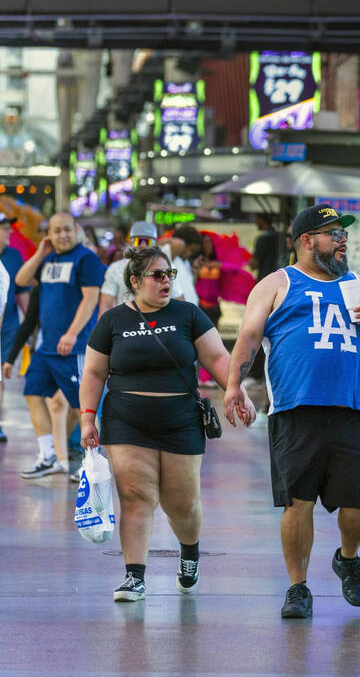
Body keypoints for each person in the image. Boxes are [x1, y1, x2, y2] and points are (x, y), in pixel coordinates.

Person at [223, 203, 360, 619]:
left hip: (352, 409)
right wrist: (233, 385)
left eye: (344, 234)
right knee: (296, 502)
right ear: (307, 241)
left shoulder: (357, 284)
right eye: (333, 233)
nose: (343, 240)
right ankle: (297, 588)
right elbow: (248, 337)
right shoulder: (278, 283)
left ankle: (348, 559)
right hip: (295, 411)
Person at [79, 247, 234, 602]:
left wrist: (234, 392)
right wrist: (88, 417)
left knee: (182, 502)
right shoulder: (113, 321)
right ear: (134, 282)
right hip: (126, 419)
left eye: (169, 274)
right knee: (135, 497)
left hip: (180, 420)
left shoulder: (188, 314)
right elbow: (93, 371)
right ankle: (135, 576)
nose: (166, 281)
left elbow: (217, 357)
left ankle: (190, 553)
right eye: (157, 275)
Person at [14, 212, 103, 479]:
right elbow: (21, 281)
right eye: (56, 231)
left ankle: (92, 462)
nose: (63, 235)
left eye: (67, 229)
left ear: (77, 230)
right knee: (32, 393)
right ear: (49, 235)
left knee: (82, 406)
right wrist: (41, 253)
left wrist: (72, 334)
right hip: (46, 348)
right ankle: (48, 456)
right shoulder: (49, 259)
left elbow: (90, 300)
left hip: (73, 347)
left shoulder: (87, 259)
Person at [0, 212, 30, 442]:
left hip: (8, 324)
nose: (10, 232)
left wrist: (31, 326)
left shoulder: (13, 256)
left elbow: (21, 292)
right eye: (5, 228)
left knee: (0, 376)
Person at [99, 222, 166, 313]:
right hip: (124, 324)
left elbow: (178, 299)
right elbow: (105, 306)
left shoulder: (165, 267)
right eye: (138, 240)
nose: (143, 245)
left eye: (147, 241)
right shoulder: (116, 268)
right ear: (131, 242)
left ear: (155, 243)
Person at [251, 214, 281, 282]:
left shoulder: (262, 238)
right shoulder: (278, 236)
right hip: (279, 277)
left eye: (256, 219)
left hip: (264, 278)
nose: (255, 222)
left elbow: (254, 264)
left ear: (261, 220)